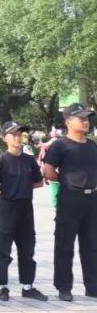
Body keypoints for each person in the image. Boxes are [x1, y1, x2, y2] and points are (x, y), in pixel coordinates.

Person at [41, 103, 97, 301]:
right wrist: (67, 181)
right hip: (70, 198)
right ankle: (64, 287)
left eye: (87, 118)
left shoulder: (91, 145)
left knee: (92, 244)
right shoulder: (60, 145)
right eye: (80, 118)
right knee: (65, 243)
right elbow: (48, 171)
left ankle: (92, 286)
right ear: (68, 122)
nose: (85, 121)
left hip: (92, 200)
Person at [0, 121, 49, 301]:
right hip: (7, 207)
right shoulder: (2, 160)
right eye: (13, 134)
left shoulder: (29, 160)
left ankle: (27, 286)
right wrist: (11, 189)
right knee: (4, 250)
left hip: (25, 208)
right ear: (5, 138)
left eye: (19, 134)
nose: (17, 138)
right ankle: (3, 286)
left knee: (27, 249)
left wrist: (22, 187)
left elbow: (38, 182)